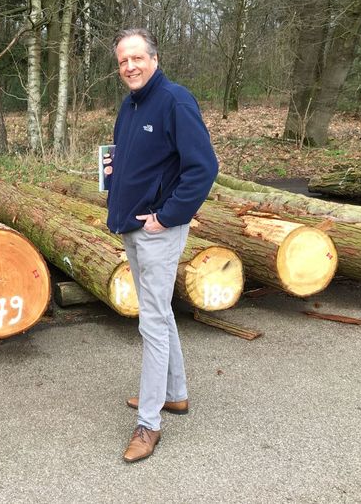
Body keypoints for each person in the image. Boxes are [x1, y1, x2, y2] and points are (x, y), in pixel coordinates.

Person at [104, 29, 218, 462]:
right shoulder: (131, 104)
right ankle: (176, 393)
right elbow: (129, 158)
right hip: (131, 226)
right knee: (160, 313)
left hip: (158, 230)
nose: (129, 66)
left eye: (136, 58)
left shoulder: (175, 100)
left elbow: (203, 167)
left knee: (151, 322)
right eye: (122, 61)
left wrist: (168, 216)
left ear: (154, 57)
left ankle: (149, 424)